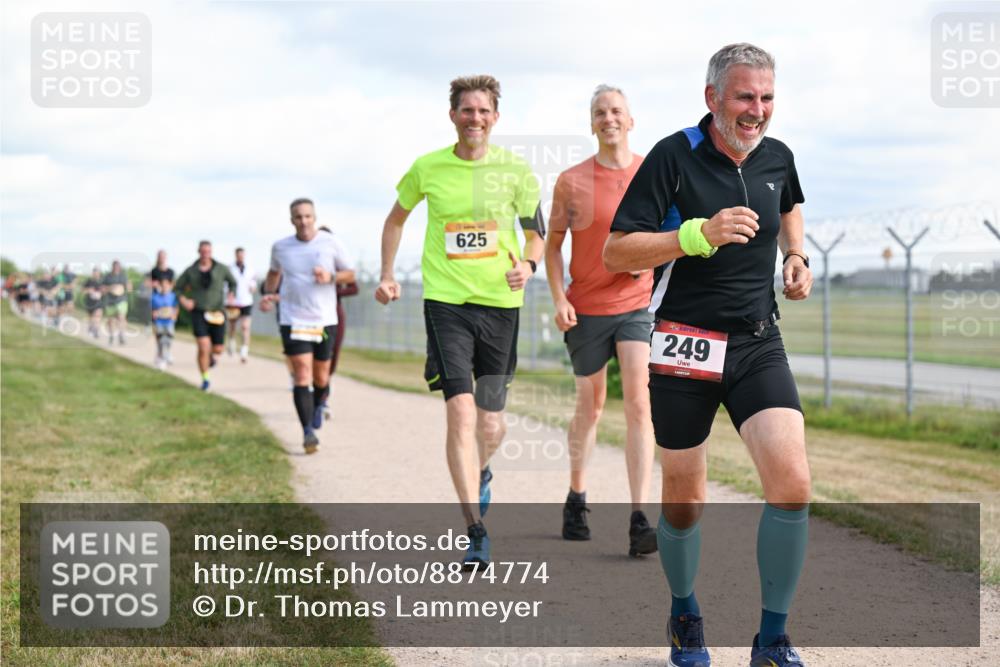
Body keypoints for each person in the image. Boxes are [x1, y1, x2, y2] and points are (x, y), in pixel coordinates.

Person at [604, 43, 813, 667]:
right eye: (745, 97)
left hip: (756, 341)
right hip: (683, 343)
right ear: (713, 99)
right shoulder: (674, 156)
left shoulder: (779, 156)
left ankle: (772, 639)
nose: (757, 111)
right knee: (685, 500)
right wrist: (696, 235)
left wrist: (795, 259)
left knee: (793, 488)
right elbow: (617, 252)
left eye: (767, 97)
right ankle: (685, 615)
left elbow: (790, 205)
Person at [375, 75, 544, 568]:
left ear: (495, 117)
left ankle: (481, 471)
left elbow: (537, 232)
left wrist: (528, 265)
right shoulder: (427, 168)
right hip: (446, 301)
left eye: (483, 111)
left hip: (500, 305)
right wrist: (386, 274)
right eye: (466, 110)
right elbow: (394, 220)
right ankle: (475, 529)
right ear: (453, 115)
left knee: (492, 426)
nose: (475, 118)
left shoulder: (515, 170)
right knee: (462, 414)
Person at [546, 84, 658, 557]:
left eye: (616, 110)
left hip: (636, 304)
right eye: (599, 112)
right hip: (586, 307)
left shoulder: (652, 174)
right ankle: (577, 496)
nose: (608, 117)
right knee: (591, 408)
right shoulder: (571, 181)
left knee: (639, 403)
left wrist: (646, 260)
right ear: (591, 124)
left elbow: (671, 232)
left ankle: (639, 517)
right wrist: (558, 299)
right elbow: (551, 247)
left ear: (630, 120)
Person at [260, 199, 355, 454]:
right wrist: (268, 293)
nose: (303, 221)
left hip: (324, 319)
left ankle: (317, 406)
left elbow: (350, 274)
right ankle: (307, 433)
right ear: (292, 220)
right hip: (293, 318)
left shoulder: (331, 243)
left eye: (307, 216)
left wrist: (331, 277)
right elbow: (272, 274)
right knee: (301, 374)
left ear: (314, 217)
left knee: (321, 375)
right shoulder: (280, 247)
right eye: (298, 217)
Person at [174, 241, 238, 391]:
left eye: (208, 251)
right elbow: (177, 288)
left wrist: (231, 295)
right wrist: (184, 300)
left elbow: (233, 283)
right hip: (199, 311)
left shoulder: (221, 269)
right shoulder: (191, 271)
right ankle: (205, 379)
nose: (205, 254)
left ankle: (212, 357)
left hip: (217, 312)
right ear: (198, 252)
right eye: (203, 251)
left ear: (211, 252)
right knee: (203, 347)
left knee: (218, 349)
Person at [319, 225, 360, 421]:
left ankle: (324, 395)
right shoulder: (312, 264)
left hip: (335, 313)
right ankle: (316, 395)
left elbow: (354, 288)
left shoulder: (339, 267)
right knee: (315, 357)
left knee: (332, 355)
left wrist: (333, 289)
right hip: (312, 315)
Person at [226, 247, 257, 363]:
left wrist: (253, 288)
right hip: (233, 302)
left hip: (246, 301)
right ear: (235, 256)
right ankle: (231, 341)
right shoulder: (229, 268)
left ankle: (244, 351)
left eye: (242, 255)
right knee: (232, 326)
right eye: (238, 255)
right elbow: (226, 284)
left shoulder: (251, 269)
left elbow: (253, 283)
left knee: (245, 327)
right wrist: (229, 296)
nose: (240, 257)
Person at [150, 277, 179, 369]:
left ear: (170, 286)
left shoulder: (173, 296)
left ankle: (167, 353)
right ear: (160, 286)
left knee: (169, 339)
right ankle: (162, 359)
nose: (164, 287)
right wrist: (153, 313)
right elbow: (151, 309)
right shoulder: (155, 297)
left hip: (169, 321)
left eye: (166, 285)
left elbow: (176, 308)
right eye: (162, 285)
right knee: (161, 340)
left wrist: (175, 315)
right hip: (159, 322)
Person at [102, 260, 131, 345]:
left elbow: (129, 288)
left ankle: (121, 335)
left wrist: (128, 287)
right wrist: (111, 288)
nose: (116, 268)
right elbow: (102, 289)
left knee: (121, 317)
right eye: (115, 266)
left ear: (120, 267)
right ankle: (111, 336)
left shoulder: (123, 276)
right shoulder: (107, 277)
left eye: (118, 266)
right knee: (111, 320)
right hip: (110, 301)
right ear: (112, 267)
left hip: (121, 300)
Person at [83, 268, 104, 337]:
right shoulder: (89, 281)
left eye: (97, 272)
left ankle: (96, 330)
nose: (96, 274)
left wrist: (102, 292)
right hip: (90, 302)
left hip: (99, 302)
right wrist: (88, 290)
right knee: (91, 317)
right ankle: (91, 327)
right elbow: (83, 290)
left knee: (98, 315)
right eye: (94, 273)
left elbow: (105, 290)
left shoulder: (102, 281)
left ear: (99, 273)